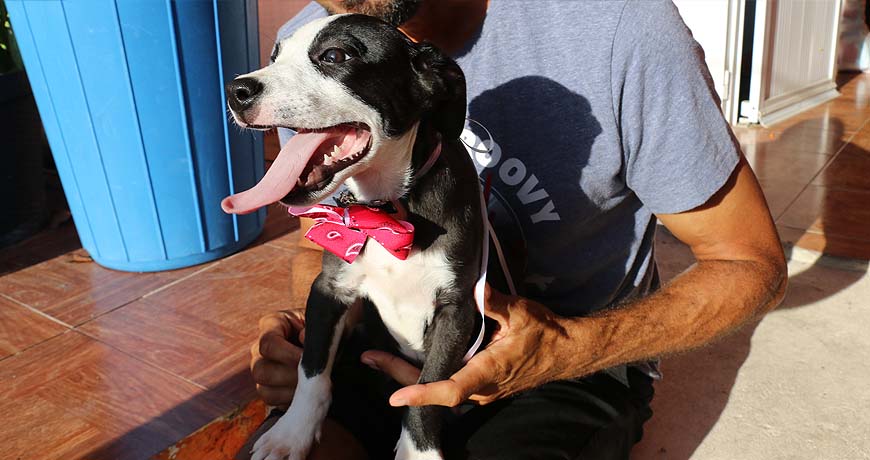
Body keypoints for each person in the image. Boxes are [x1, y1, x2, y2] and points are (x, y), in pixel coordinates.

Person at [242, 1, 787, 459]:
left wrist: (564, 349)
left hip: (570, 362)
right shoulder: (302, 45)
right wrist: (310, 339)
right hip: (383, 347)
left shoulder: (621, 23)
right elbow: (326, 241)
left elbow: (747, 262)